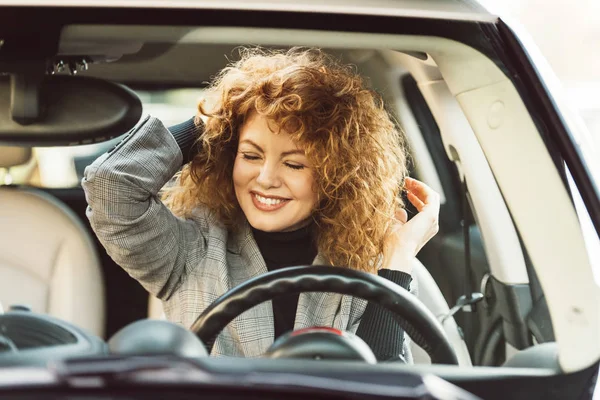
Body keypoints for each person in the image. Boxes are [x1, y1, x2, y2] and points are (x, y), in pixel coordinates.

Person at [82, 47, 440, 361]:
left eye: (294, 163)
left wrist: (398, 258)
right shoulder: (190, 251)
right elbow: (111, 185)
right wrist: (216, 122)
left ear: (338, 173)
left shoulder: (363, 264)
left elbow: (387, 382)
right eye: (250, 155)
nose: (266, 178)